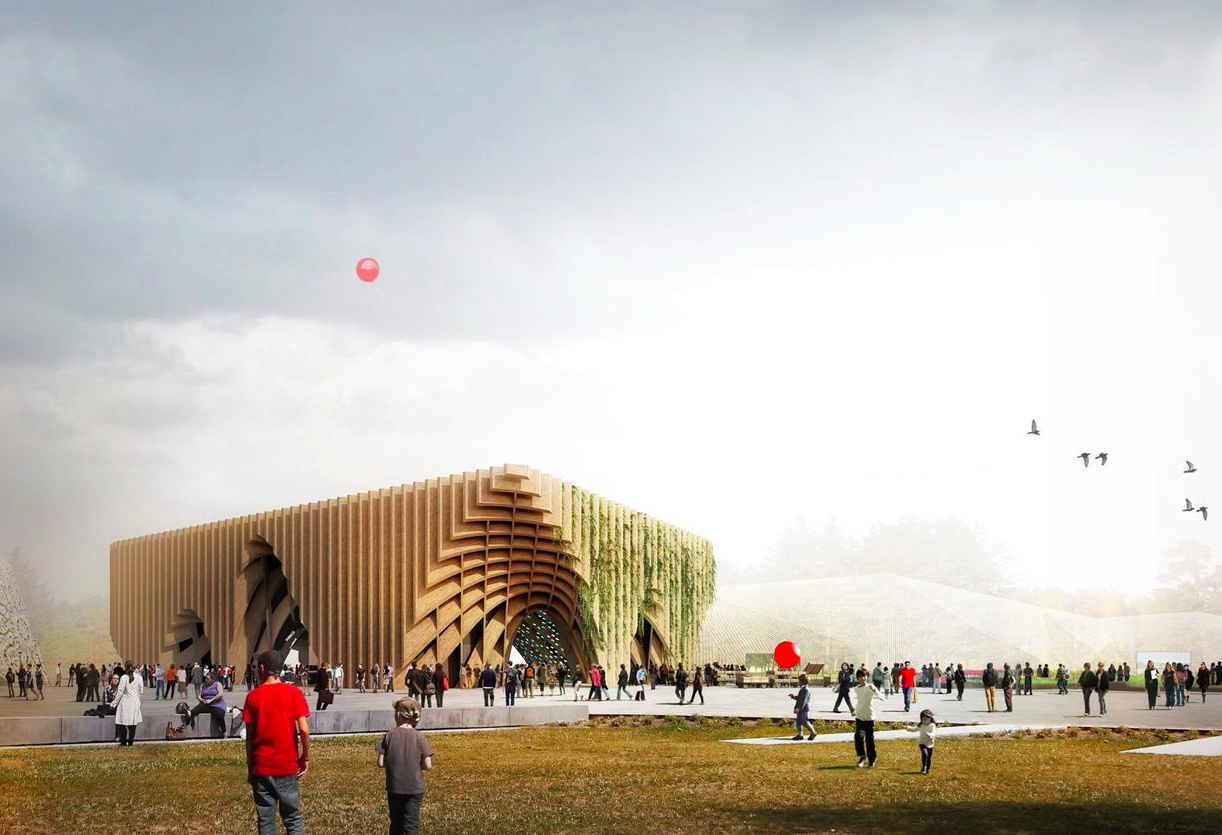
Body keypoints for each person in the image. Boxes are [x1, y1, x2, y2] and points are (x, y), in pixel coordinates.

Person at [243, 650, 310, 835]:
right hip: (287, 765)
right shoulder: (294, 693)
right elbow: (304, 729)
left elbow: (249, 739)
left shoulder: (252, 697)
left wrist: (251, 768)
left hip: (261, 766)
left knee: (266, 821)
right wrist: (305, 757)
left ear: (262, 669)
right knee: (293, 819)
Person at [378, 697, 434, 835]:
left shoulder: (389, 735)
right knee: (411, 825)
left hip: (394, 786)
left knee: (396, 824)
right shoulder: (420, 737)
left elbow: (380, 762)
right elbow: (428, 765)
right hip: (415, 788)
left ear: (398, 715)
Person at [852, 668, 883, 768]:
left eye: (864, 676)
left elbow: (881, 697)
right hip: (860, 716)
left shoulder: (870, 686)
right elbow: (857, 700)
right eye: (860, 676)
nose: (862, 678)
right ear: (857, 678)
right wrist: (853, 710)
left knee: (870, 740)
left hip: (869, 717)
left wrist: (875, 691)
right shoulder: (856, 688)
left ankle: (871, 760)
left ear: (867, 677)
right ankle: (862, 756)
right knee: (858, 736)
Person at [110, 662, 143, 746]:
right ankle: (131, 741)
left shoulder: (124, 678)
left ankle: (123, 741)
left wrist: (114, 703)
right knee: (133, 723)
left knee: (122, 722)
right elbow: (141, 692)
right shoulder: (139, 677)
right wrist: (137, 700)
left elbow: (120, 692)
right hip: (135, 702)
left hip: (125, 702)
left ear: (125, 668)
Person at [188, 672, 229, 737]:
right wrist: (202, 700)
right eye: (205, 678)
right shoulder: (203, 685)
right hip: (205, 703)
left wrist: (211, 700)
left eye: (207, 679)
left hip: (216, 704)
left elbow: (220, 694)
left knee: (219, 715)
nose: (206, 680)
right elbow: (199, 695)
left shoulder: (218, 684)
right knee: (194, 711)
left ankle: (224, 731)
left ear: (212, 679)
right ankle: (189, 714)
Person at [906, 708, 937, 774]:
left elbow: (933, 733)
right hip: (922, 742)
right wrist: (908, 728)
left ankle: (928, 769)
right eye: (922, 719)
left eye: (926, 719)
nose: (924, 721)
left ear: (930, 718)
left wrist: (930, 735)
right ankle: (923, 767)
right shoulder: (921, 725)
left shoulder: (932, 725)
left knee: (929, 757)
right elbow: (914, 729)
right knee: (924, 754)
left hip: (930, 743)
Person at [789, 673, 817, 741]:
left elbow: (803, 701)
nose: (798, 682)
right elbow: (800, 698)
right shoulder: (803, 688)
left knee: (805, 722)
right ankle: (800, 735)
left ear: (802, 681)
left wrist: (799, 708)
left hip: (804, 709)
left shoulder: (805, 690)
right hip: (801, 708)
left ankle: (813, 732)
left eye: (798, 680)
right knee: (798, 722)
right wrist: (794, 697)